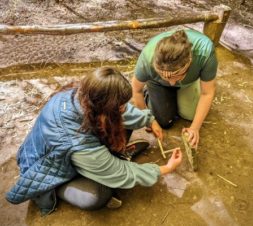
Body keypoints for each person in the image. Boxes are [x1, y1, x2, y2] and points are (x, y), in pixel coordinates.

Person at [6, 67, 182, 215]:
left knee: (122, 123)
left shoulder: (84, 96)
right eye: (119, 105)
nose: (124, 107)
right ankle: (55, 189)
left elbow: (124, 112)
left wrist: (148, 119)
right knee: (98, 195)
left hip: (75, 151)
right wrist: (164, 169)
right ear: (104, 108)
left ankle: (109, 159)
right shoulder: (76, 140)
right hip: (49, 169)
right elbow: (118, 172)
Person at [132, 29, 218, 148]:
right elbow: (136, 90)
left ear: (190, 62)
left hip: (189, 82)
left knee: (192, 116)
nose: (172, 83)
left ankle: (178, 92)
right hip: (158, 83)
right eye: (166, 76)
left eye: (177, 76)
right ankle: (151, 93)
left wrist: (195, 128)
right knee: (163, 122)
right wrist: (147, 119)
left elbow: (207, 93)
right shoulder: (147, 57)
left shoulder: (205, 51)